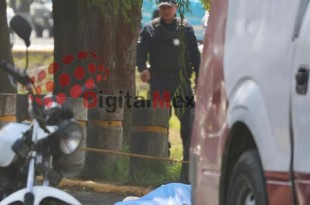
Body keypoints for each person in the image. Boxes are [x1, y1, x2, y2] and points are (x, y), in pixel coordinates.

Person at [136, 0, 200, 183]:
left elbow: (195, 54)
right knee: (157, 122)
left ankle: (186, 171)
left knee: (188, 123)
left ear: (175, 8)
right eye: (162, 7)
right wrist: (143, 69)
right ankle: (158, 163)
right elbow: (140, 53)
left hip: (181, 81)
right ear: (159, 8)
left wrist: (199, 75)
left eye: (169, 7)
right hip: (159, 81)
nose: (166, 11)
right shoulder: (150, 29)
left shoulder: (185, 28)